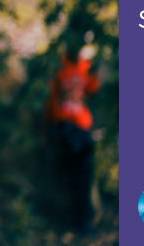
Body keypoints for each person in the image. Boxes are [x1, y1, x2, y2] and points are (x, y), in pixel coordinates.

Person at [45, 40, 101, 235]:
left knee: (84, 164)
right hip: (63, 123)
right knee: (78, 147)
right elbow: (49, 98)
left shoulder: (87, 66)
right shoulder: (58, 65)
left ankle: (82, 220)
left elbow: (93, 88)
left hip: (81, 126)